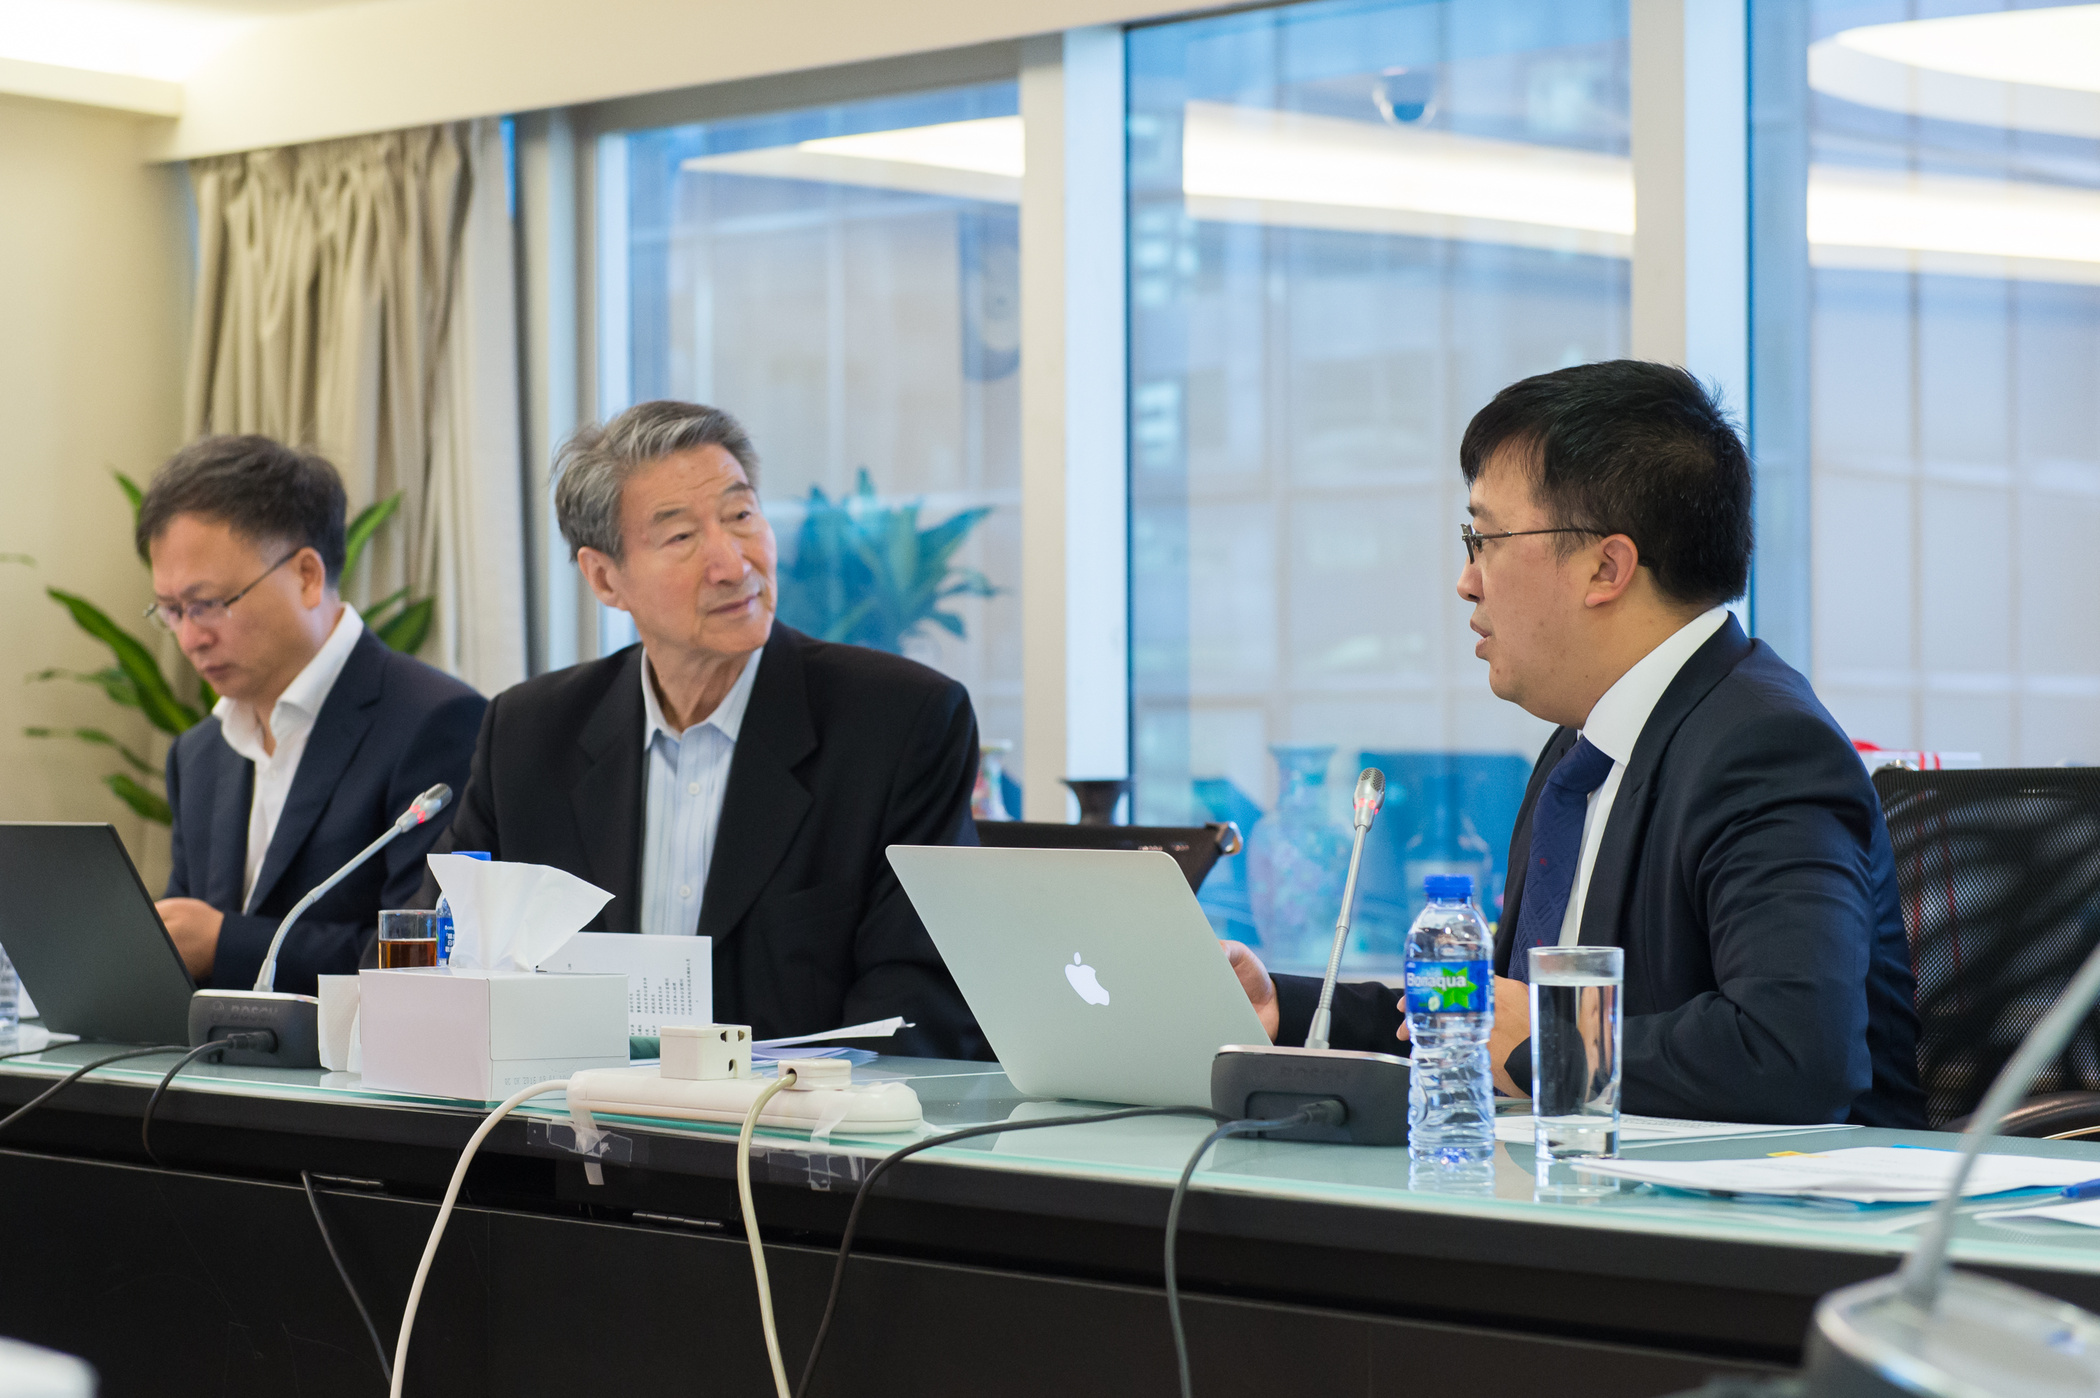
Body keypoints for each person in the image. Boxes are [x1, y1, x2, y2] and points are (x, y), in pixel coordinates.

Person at [1224, 361, 1926, 1128]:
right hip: (1581, 1180)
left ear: (1605, 567)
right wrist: (1286, 1009)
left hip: (1761, 1199)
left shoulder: (1765, 748)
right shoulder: (1581, 748)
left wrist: (1547, 1040)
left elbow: (1793, 1054)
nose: (1466, 581)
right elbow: (1492, 1019)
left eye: (1484, 538)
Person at [437, 400, 988, 1059]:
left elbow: (919, 1009)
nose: (732, 563)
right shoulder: (529, 736)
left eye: (741, 516)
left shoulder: (898, 724)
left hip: (796, 1119)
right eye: (680, 537)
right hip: (572, 1115)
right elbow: (440, 961)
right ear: (605, 578)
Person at [146, 436, 486, 995]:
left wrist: (225, 944)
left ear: (306, 575)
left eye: (207, 605)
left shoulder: (435, 722)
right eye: (171, 610)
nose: (189, 638)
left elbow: (427, 957)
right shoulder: (199, 753)